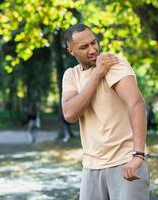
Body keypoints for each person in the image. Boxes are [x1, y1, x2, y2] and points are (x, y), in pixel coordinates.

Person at [61, 23, 149, 200]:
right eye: (84, 47)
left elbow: (136, 104)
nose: (93, 50)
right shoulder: (71, 75)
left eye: (94, 43)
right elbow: (70, 114)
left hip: (125, 161)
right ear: (71, 51)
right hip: (91, 167)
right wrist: (96, 75)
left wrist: (138, 155)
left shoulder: (113, 64)